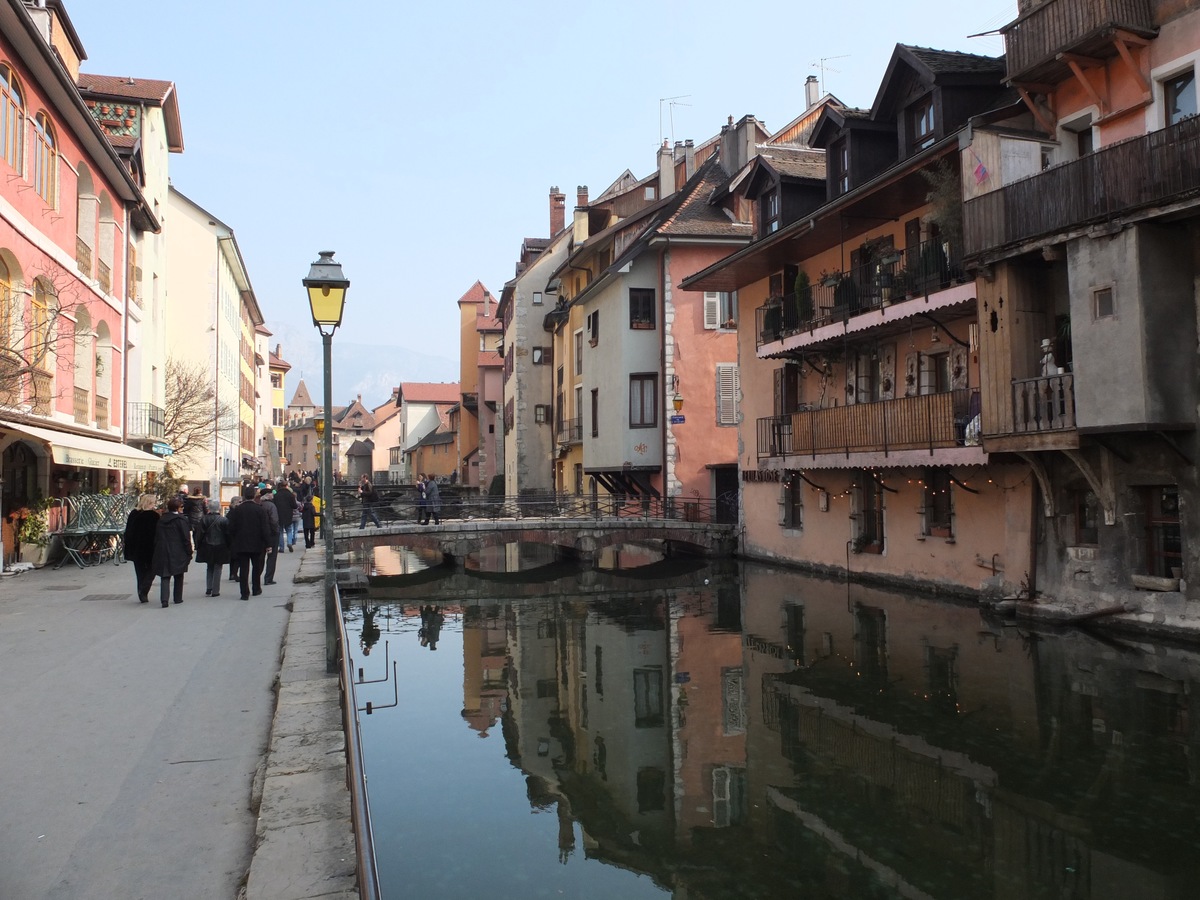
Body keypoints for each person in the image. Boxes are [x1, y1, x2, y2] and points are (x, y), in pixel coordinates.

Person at [226, 485, 274, 600]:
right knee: (256, 567)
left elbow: (231, 528)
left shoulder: (238, 510)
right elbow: (265, 528)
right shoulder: (260, 510)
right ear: (254, 496)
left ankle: (244, 593)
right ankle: (256, 589)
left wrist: (234, 540)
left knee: (244, 569)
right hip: (257, 543)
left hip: (241, 543)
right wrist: (268, 544)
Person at [152, 496, 193, 607]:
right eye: (181, 507)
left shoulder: (161, 519)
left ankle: (164, 599)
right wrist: (189, 551)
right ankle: (177, 598)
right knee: (179, 574)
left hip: (162, 549)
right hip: (178, 550)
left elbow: (156, 536)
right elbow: (186, 538)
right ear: (178, 508)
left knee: (165, 575)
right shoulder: (181, 520)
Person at [123, 493, 160, 604]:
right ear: (149, 503)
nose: (154, 505)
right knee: (152, 570)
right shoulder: (154, 516)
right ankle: (144, 590)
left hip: (136, 547)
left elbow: (128, 531)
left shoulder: (133, 514)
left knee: (140, 571)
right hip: (150, 548)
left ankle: (142, 591)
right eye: (153, 503)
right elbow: (157, 533)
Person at [196, 498, 230, 598]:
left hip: (207, 545)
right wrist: (229, 545)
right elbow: (227, 534)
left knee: (209, 566)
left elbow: (200, 534)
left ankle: (209, 588)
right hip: (221, 545)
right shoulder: (224, 520)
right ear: (219, 508)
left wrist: (198, 545)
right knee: (218, 567)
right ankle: (216, 590)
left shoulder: (204, 519)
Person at [261, 487, 282, 585]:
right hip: (272, 534)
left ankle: (256, 576)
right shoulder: (271, 506)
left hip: (261, 534)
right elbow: (274, 520)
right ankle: (268, 578)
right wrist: (276, 531)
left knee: (260, 557)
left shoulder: (259, 505)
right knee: (272, 557)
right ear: (268, 495)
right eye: (271, 493)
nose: (273, 495)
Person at [273, 481, 299, 552]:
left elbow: (274, 505)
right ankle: (289, 542)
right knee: (289, 530)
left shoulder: (276, 495)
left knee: (280, 531)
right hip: (288, 515)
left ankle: (281, 547)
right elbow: (294, 506)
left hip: (279, 515)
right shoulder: (290, 495)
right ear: (286, 486)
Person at [226, 495, 243, 582]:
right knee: (237, 557)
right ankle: (234, 573)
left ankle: (232, 573)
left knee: (233, 557)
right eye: (240, 502)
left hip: (231, 537)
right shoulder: (235, 512)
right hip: (235, 536)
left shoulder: (230, 512)